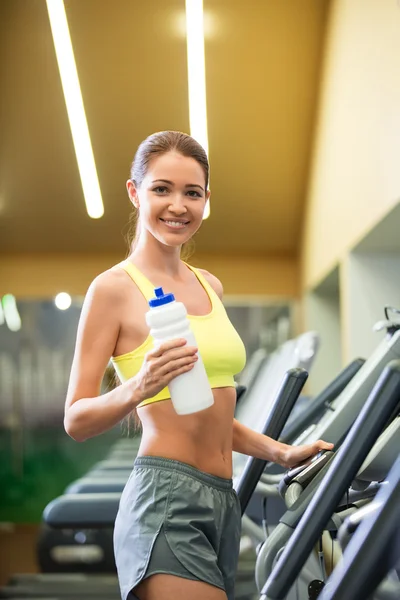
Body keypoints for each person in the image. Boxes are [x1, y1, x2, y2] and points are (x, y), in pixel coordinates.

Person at [64, 131, 333, 600]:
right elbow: (76, 419)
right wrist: (139, 386)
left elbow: (209, 413)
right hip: (166, 499)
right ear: (134, 192)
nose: (178, 205)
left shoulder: (210, 285)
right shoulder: (112, 290)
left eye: (192, 193)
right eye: (161, 189)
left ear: (206, 200)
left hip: (223, 499)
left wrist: (282, 453)